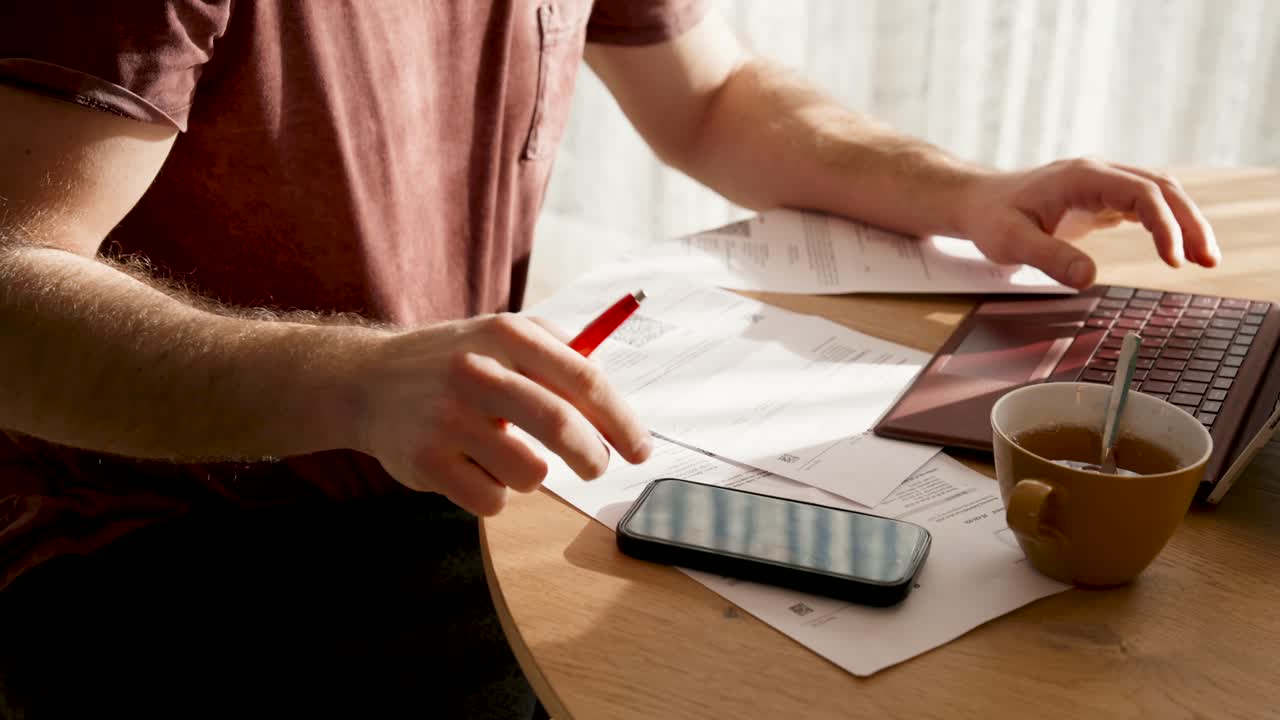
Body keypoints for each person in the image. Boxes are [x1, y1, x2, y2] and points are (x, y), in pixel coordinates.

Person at [0, 1, 1218, 717]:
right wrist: (353, 384)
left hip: (454, 473)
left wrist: (966, 192)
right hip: (170, 540)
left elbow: (712, 97)